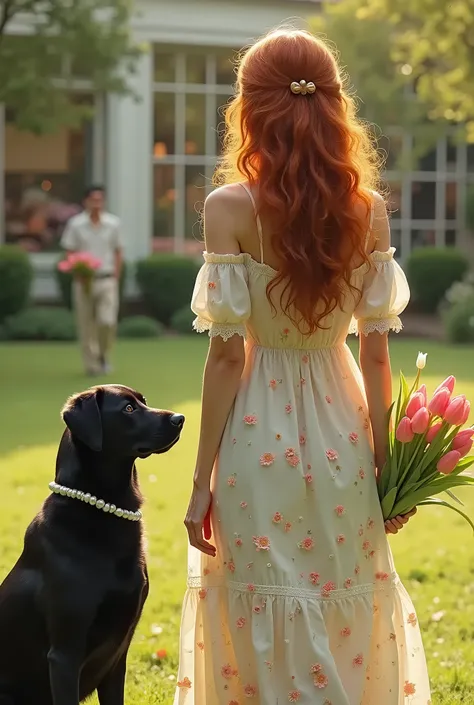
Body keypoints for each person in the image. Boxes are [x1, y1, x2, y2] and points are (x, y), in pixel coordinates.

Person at [175, 28, 430, 705]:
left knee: (260, 593)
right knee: (341, 589)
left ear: (248, 108)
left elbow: (229, 353)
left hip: (259, 432)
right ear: (334, 104)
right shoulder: (367, 210)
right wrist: (385, 467)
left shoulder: (229, 207)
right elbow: (375, 350)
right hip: (342, 428)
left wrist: (200, 484)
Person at [60, 186, 122, 376]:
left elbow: (118, 251)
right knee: (86, 325)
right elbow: (69, 250)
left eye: (100, 200)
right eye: (93, 200)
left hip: (106, 279)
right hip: (83, 280)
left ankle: (103, 355)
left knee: (107, 321)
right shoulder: (76, 224)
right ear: (85, 202)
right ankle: (92, 365)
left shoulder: (113, 223)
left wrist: (116, 276)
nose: (96, 203)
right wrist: (76, 268)